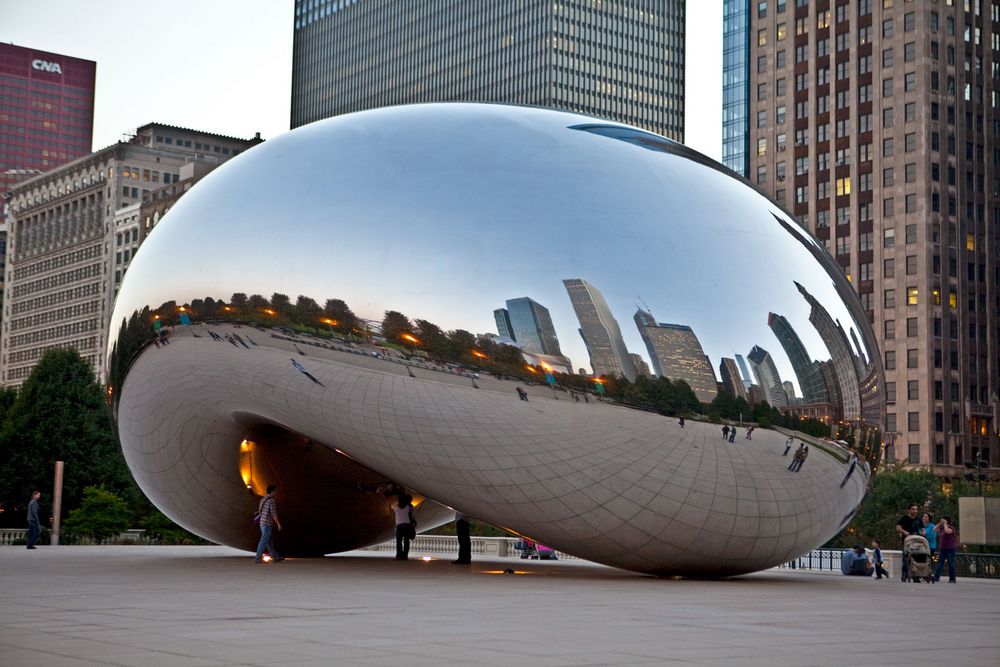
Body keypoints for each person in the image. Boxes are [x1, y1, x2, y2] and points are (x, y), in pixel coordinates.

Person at [254, 484, 285, 563]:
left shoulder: (263, 499)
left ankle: (275, 557)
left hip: (262, 523)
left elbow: (260, 511)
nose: (276, 492)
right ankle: (257, 558)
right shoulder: (271, 500)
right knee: (264, 541)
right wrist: (278, 524)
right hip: (267, 523)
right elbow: (274, 513)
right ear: (272, 491)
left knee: (268, 541)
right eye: (275, 491)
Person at [895, 504, 924, 581]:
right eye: (913, 509)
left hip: (916, 542)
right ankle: (905, 574)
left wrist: (923, 532)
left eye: (916, 509)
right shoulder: (904, 519)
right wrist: (904, 532)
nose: (915, 511)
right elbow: (898, 528)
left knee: (916, 559)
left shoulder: (919, 520)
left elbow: (922, 529)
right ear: (909, 510)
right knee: (906, 559)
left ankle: (916, 576)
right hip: (907, 542)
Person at [933, 516, 958, 583]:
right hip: (943, 548)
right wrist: (939, 523)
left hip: (951, 548)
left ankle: (952, 579)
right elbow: (934, 529)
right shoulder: (941, 528)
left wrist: (945, 524)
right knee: (940, 563)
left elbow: (947, 531)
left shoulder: (951, 528)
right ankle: (936, 577)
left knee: (951, 564)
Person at [393, 494, 415, 560]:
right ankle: (405, 556)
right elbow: (411, 516)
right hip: (407, 525)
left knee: (398, 541)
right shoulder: (408, 507)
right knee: (406, 541)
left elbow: (393, 514)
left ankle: (398, 555)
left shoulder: (395, 507)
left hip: (399, 526)